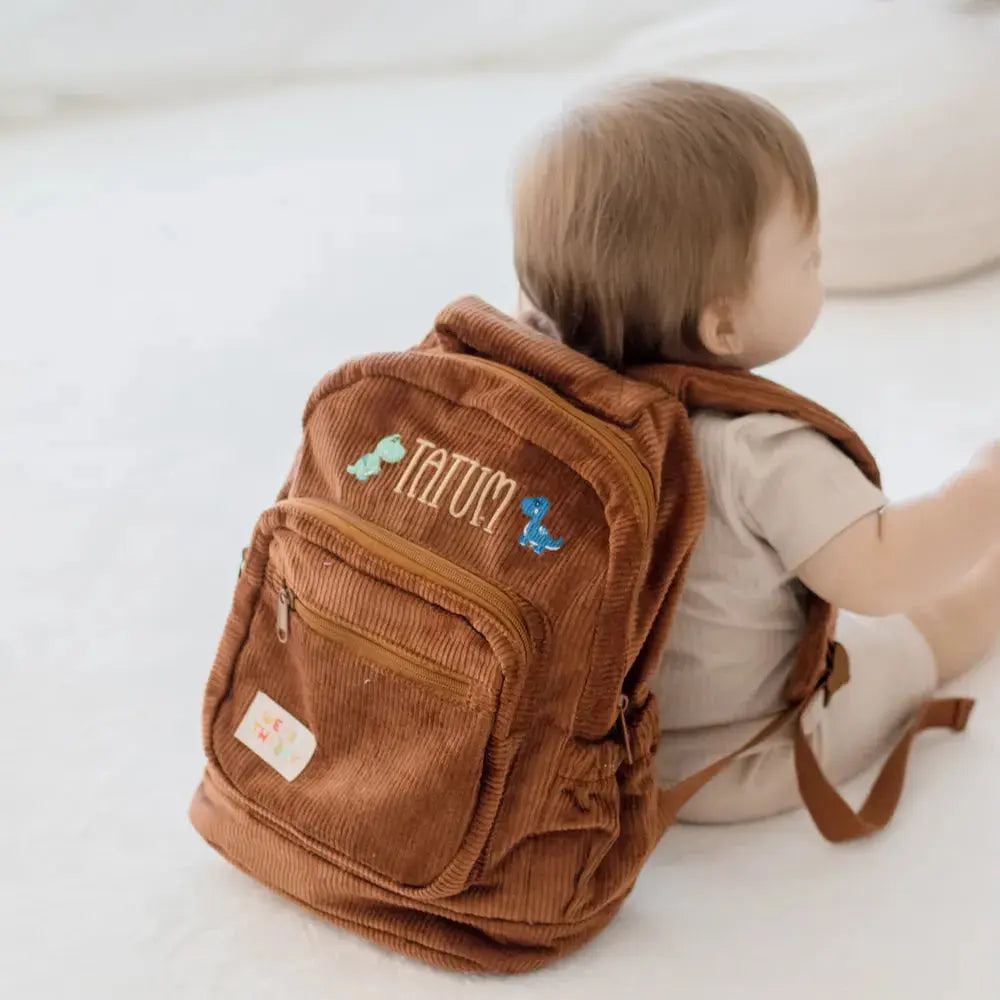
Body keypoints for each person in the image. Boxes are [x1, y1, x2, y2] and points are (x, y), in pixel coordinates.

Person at [512, 78, 1000, 822]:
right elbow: (886, 571)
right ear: (723, 330)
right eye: (808, 256)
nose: (819, 264)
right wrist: (983, 485)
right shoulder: (757, 450)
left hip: (580, 749)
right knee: (918, 627)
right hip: (729, 760)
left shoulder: (530, 402)